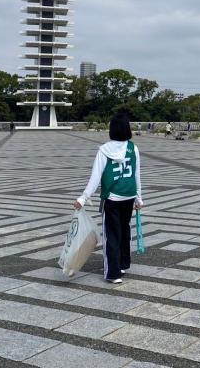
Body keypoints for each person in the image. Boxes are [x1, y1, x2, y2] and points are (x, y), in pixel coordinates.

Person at [74, 113, 144, 284]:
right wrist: (139, 198)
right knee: (124, 230)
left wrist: (83, 198)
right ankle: (122, 264)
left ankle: (113, 273)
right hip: (128, 196)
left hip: (112, 198)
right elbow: (136, 175)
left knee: (111, 235)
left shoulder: (104, 150)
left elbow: (96, 177)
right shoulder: (132, 148)